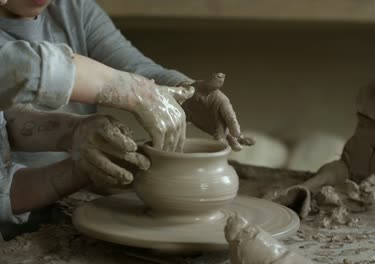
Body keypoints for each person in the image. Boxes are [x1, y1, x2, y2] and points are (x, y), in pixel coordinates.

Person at [0, 0, 253, 228]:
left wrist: (187, 94)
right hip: (15, 217)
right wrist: (133, 92)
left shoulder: (71, 9)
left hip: (74, 201)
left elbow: (135, 67)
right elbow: (24, 70)